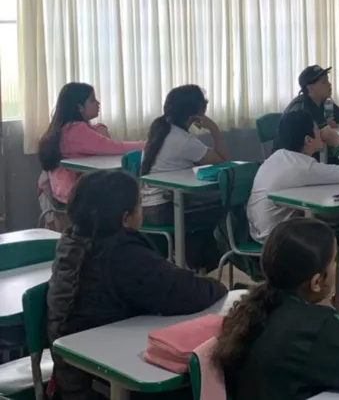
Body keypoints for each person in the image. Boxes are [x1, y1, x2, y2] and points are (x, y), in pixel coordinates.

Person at [47, 170, 227, 400]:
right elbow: (192, 292)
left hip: (73, 376)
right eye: (139, 204)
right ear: (125, 218)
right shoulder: (122, 255)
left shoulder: (71, 241)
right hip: (104, 383)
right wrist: (217, 285)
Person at [215, 218, 339, 400]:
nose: (336, 266)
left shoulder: (254, 305)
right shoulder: (315, 326)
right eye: (334, 261)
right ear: (317, 281)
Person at [141, 85, 229, 268]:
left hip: (149, 206)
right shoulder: (183, 140)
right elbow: (222, 160)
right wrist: (214, 129)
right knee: (228, 204)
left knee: (211, 209)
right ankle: (206, 261)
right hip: (166, 210)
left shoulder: (161, 129)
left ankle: (196, 259)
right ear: (196, 114)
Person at [247, 111, 339, 242]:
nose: (320, 131)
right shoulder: (303, 166)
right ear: (308, 140)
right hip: (276, 238)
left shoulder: (278, 157)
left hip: (258, 230)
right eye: (316, 128)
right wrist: (337, 141)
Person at [38, 83, 145, 205]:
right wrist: (147, 145)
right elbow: (113, 147)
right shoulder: (77, 129)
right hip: (75, 192)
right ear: (80, 107)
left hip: (62, 189)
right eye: (92, 100)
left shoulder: (64, 127)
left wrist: (99, 128)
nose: (98, 103)